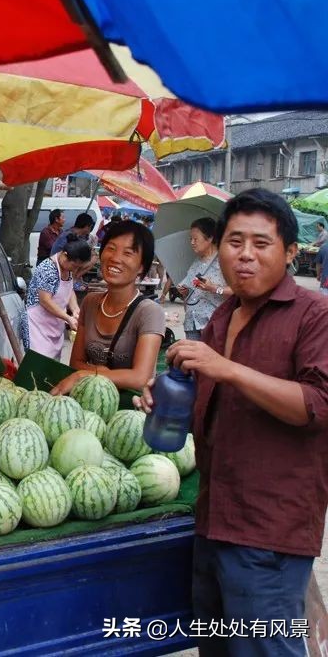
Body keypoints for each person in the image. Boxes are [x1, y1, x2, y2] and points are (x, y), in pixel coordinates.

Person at [135, 188, 328, 657]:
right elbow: (217, 399)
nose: (245, 256)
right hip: (213, 520)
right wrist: (169, 396)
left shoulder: (314, 315)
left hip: (267, 531)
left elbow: (317, 404)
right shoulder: (222, 318)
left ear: (289, 252)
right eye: (234, 242)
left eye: (261, 244)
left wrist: (226, 369)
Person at [50, 220, 165, 394]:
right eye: (111, 248)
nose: (115, 258)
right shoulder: (90, 302)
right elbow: (76, 363)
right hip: (88, 401)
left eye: (128, 253)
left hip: (130, 411)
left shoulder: (149, 312)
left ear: (141, 267)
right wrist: (101, 373)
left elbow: (141, 377)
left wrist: (86, 374)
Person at [19, 238, 92, 360]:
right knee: (38, 364)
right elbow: (45, 301)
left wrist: (75, 310)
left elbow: (69, 290)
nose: (75, 270)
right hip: (36, 325)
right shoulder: (48, 269)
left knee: (51, 367)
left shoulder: (67, 269)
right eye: (74, 265)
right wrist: (68, 318)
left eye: (78, 267)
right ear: (64, 255)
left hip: (53, 325)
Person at [177, 217, 232, 340]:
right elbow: (190, 293)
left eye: (195, 239)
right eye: (190, 239)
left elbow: (238, 291)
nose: (192, 242)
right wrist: (184, 292)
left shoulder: (224, 261)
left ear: (210, 238)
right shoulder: (195, 263)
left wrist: (213, 288)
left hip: (213, 324)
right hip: (192, 322)